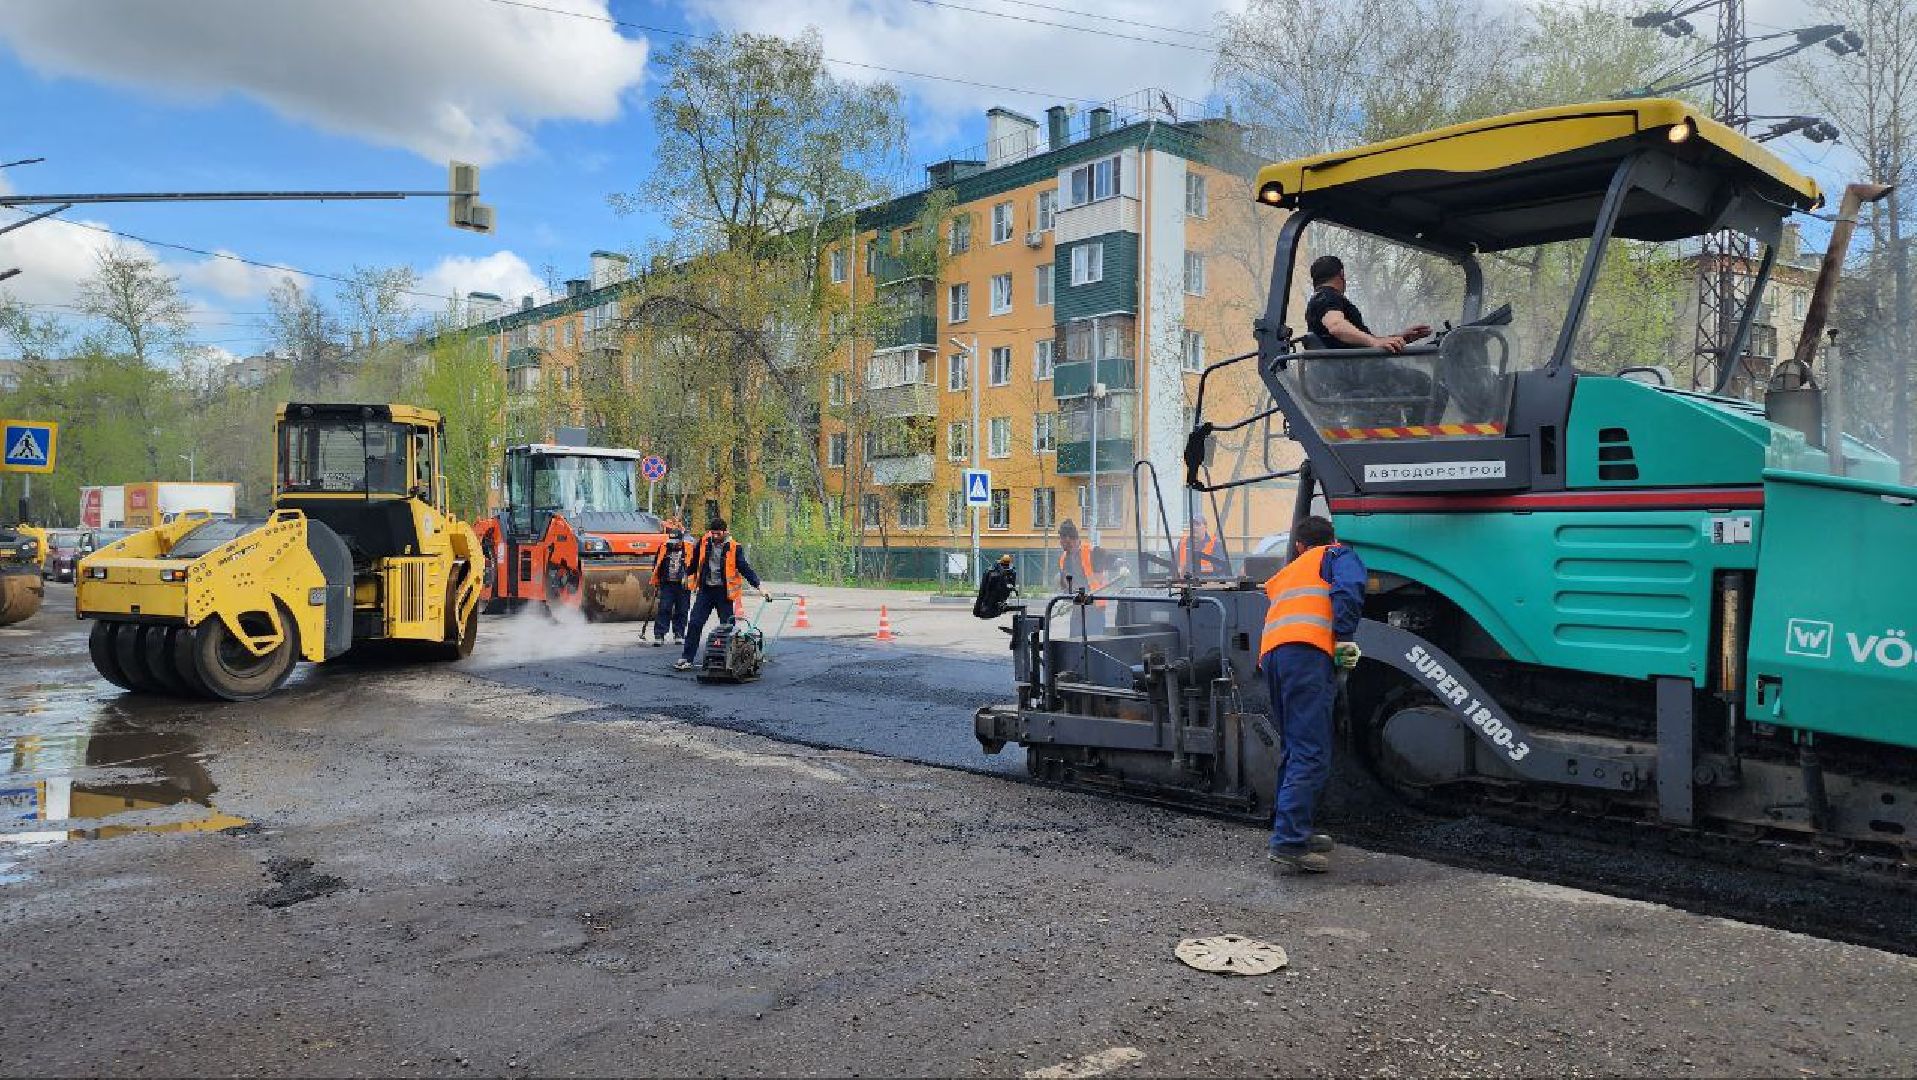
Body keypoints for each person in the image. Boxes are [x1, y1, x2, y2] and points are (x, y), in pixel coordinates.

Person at [1258, 515, 1366, 873]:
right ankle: (1288, 843)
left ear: (1300, 546)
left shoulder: (1289, 570)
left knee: (1294, 746)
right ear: (1330, 539)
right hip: (1306, 654)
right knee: (1310, 750)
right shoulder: (1337, 556)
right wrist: (1344, 637)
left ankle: (1292, 829)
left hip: (1274, 656)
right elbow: (1348, 591)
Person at [673, 517, 768, 671]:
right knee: (695, 623)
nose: (715, 537)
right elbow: (695, 561)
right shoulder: (704, 542)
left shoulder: (734, 547)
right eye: (713, 533)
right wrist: (685, 575)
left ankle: (732, 658)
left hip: (723, 594)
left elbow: (744, 568)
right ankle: (686, 658)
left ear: (725, 532)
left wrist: (760, 587)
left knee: (728, 627)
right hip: (706, 591)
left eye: (718, 534)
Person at [1304, 255, 1430, 353]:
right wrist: (1374, 342)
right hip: (1354, 375)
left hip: (1350, 371)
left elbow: (1360, 342)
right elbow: (1336, 325)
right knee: (1422, 379)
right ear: (1341, 274)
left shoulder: (1318, 300)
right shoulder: (1328, 296)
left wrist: (1402, 337)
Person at [1056, 519, 1122, 636]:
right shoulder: (1064, 559)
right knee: (1074, 643)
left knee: (1093, 644)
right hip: (1078, 608)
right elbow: (1066, 585)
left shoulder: (1091, 552)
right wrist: (1065, 602)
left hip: (1095, 608)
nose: (1060, 542)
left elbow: (1111, 559)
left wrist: (1121, 565)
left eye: (1061, 539)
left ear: (1068, 539)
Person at [647, 518, 693, 648]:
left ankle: (679, 634)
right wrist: (657, 580)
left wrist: (691, 581)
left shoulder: (689, 549)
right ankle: (659, 635)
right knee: (664, 608)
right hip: (667, 583)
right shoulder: (663, 547)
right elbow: (657, 564)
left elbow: (695, 566)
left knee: (682, 610)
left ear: (681, 540)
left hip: (683, 585)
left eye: (676, 541)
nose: (673, 544)